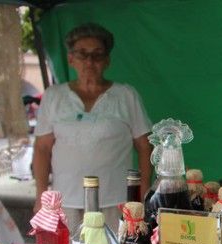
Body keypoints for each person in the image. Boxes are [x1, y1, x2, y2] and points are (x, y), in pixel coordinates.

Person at [32, 23, 152, 232]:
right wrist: (41, 195)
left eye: (97, 54)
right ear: (71, 59)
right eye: (82, 54)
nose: (89, 61)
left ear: (107, 60)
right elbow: (42, 148)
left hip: (116, 202)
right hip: (65, 202)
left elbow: (145, 146)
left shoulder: (125, 95)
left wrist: (142, 192)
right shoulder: (54, 96)